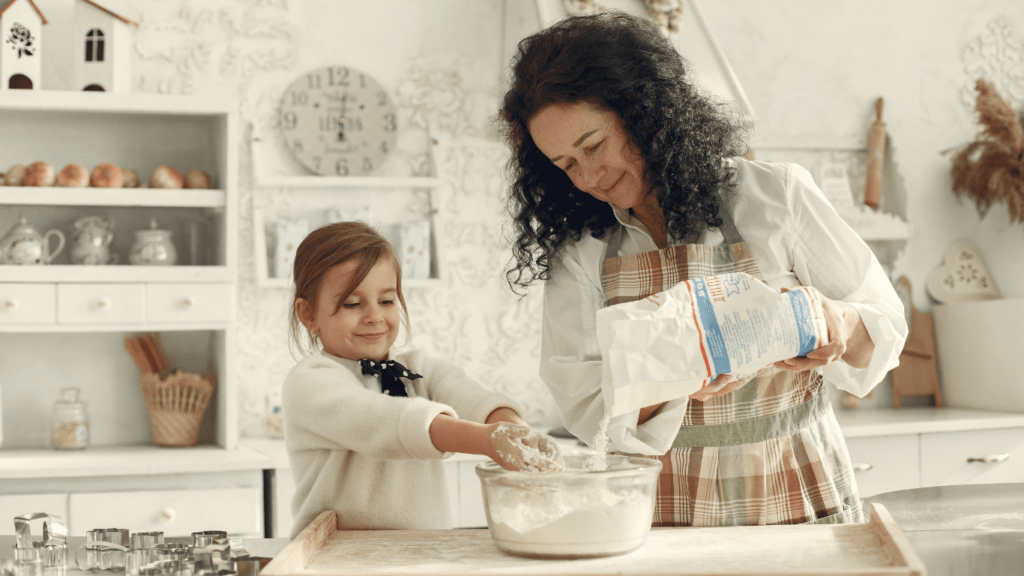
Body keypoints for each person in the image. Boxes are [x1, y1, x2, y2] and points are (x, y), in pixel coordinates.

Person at [499, 11, 908, 527]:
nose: (589, 177)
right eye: (565, 165)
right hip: (663, 504)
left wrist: (838, 325)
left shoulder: (774, 197)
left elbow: (886, 324)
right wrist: (674, 378)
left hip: (796, 485)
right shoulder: (581, 251)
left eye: (594, 146)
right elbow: (586, 408)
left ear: (644, 110)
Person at [283, 221, 561, 537]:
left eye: (386, 300)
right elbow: (384, 420)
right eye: (352, 303)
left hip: (423, 552)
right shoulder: (310, 382)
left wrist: (514, 432)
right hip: (336, 556)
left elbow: (470, 397)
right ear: (308, 314)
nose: (374, 316)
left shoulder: (417, 368)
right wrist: (488, 440)